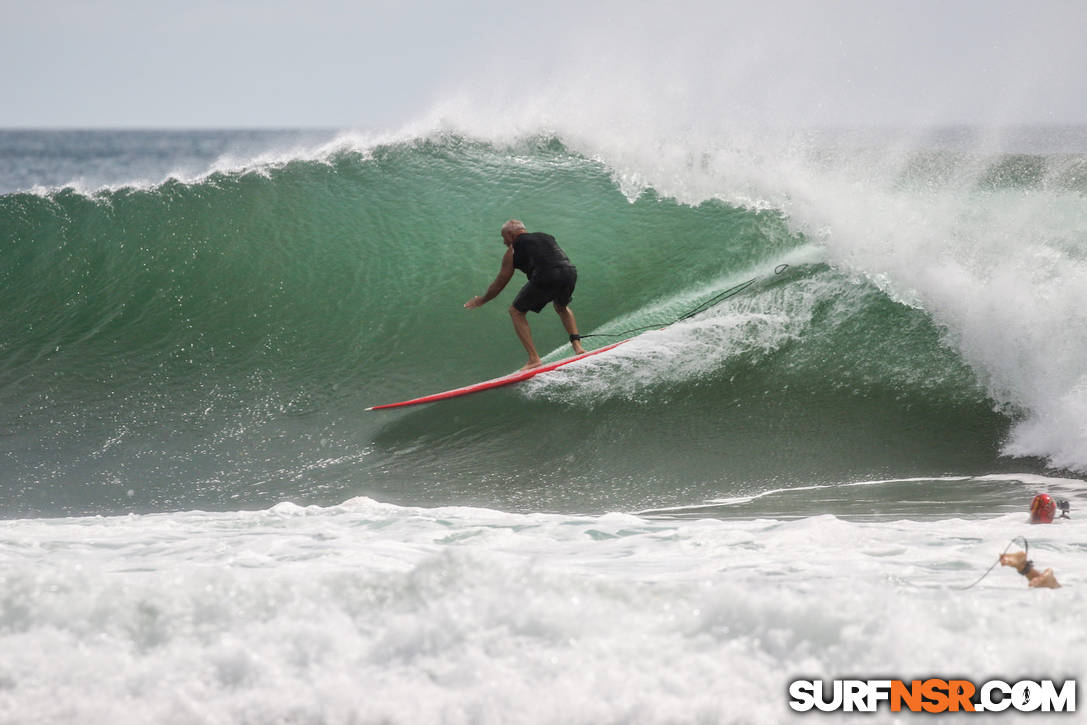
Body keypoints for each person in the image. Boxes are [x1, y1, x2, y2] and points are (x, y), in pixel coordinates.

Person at [464, 220, 587, 370]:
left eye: (504, 237)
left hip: (546, 275)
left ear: (510, 234)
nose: (504, 242)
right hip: (569, 272)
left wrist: (482, 300)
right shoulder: (545, 236)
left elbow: (500, 283)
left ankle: (534, 359)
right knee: (561, 307)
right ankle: (578, 347)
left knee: (515, 312)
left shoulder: (513, 249)